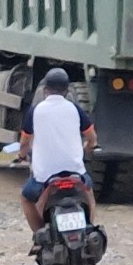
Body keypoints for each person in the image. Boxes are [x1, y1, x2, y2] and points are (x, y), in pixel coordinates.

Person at [16, 68, 98, 246]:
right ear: (67, 91)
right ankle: (89, 229)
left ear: (45, 90)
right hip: (75, 174)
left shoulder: (36, 111)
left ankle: (40, 236)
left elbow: (24, 141)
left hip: (45, 178)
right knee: (89, 192)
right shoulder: (75, 109)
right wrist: (89, 147)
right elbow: (91, 136)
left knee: (26, 197)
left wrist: (22, 154)